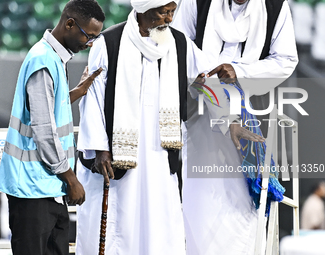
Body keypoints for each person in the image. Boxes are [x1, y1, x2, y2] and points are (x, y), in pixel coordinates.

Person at [75, 0, 264, 254]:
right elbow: (93, 98)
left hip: (159, 157)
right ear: (143, 8)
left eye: (172, 12)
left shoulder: (179, 44)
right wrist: (99, 149)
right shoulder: (108, 44)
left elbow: (208, 79)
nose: (169, 19)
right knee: (119, 230)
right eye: (163, 12)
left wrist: (230, 120)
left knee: (161, 227)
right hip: (118, 157)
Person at [172, 0, 298, 254]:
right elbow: (179, 45)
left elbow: (286, 59)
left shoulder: (275, 6)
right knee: (200, 202)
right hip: (199, 114)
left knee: (244, 202)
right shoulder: (196, 2)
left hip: (250, 110)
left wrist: (240, 72)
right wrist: (208, 79)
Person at [0, 1, 105, 254]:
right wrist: (71, 179)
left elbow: (48, 107)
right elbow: (44, 129)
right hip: (32, 189)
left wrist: (77, 92)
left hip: (47, 186)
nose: (88, 43)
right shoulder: (43, 60)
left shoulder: (53, 58)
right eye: (88, 36)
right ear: (69, 23)